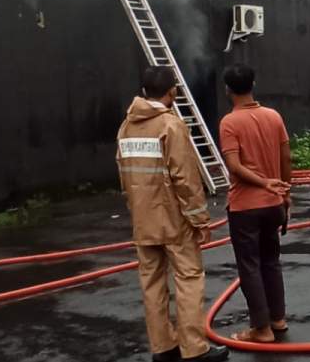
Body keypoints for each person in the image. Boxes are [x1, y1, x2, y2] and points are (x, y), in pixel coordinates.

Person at [116, 66, 229, 362]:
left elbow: (124, 176)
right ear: (172, 91)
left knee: (152, 285)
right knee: (189, 279)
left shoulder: (126, 127)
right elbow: (186, 180)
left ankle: (163, 347)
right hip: (174, 220)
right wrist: (200, 220)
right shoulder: (171, 125)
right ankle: (194, 349)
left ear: (144, 91)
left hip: (143, 221)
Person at [218, 64, 294, 344]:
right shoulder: (273, 116)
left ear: (227, 89)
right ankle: (278, 319)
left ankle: (261, 330)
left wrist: (263, 183)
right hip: (273, 203)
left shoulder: (230, 122)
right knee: (271, 261)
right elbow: (286, 158)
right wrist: (285, 192)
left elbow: (234, 167)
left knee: (249, 266)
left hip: (245, 207)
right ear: (253, 84)